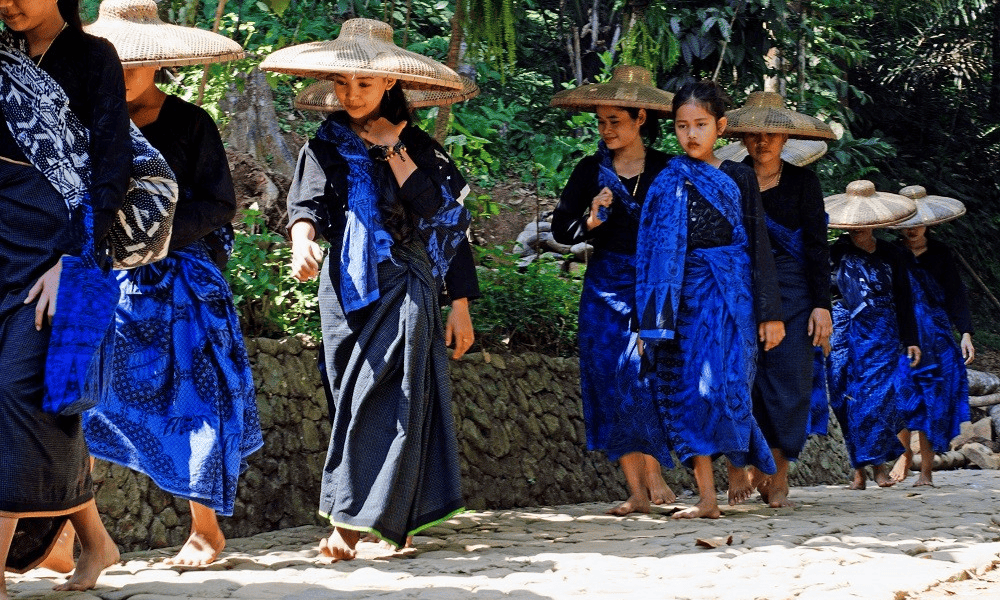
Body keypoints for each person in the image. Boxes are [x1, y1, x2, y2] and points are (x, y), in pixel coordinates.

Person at [263, 18, 480, 559]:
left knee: (389, 400)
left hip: (406, 285)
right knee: (349, 399)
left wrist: (460, 307)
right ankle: (394, 520)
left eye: (365, 83)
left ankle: (350, 525)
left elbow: (447, 224)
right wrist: (301, 242)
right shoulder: (325, 146)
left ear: (389, 84)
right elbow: (305, 206)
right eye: (343, 83)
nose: (352, 93)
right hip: (344, 291)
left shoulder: (422, 150)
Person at [80, 0, 261, 568]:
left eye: (132, 65)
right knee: (77, 407)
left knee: (193, 402)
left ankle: (204, 530)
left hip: (179, 289)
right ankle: (72, 537)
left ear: (157, 63)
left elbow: (219, 205)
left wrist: (152, 241)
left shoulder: (191, 125)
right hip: (100, 286)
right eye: (113, 64)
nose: (121, 75)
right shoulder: (84, 121)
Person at [0, 0, 127, 595]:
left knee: (23, 391)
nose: (9, 2)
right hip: (1, 241)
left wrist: (76, 261)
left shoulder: (92, 57)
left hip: (62, 255)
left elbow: (110, 161)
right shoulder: (1, 58)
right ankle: (97, 543)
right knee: (37, 403)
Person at [635, 81, 785, 519]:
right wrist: (649, 321)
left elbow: (758, 245)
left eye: (701, 124)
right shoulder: (667, 180)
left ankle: (739, 461)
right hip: (682, 300)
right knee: (689, 389)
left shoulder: (738, 175)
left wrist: (770, 312)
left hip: (730, 296)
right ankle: (707, 498)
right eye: (682, 126)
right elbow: (653, 254)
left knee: (728, 384)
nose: (691, 135)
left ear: (720, 127)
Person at [550, 66, 677, 516]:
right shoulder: (590, 170)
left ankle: (655, 468)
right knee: (610, 380)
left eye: (615, 122)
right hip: (604, 286)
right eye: (601, 122)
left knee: (647, 376)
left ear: (641, 117)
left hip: (657, 285)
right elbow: (560, 231)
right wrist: (592, 218)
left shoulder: (668, 168)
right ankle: (637, 491)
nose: (606, 130)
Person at [722, 92, 836, 507]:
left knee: (789, 380)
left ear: (786, 138)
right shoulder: (732, 176)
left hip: (796, 292)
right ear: (743, 138)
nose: (762, 142)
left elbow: (817, 247)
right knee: (740, 377)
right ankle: (738, 465)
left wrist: (822, 305)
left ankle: (778, 472)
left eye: (771, 134)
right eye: (753, 134)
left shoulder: (804, 182)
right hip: (741, 287)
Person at [825, 181, 921, 490]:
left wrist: (911, 339)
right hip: (841, 331)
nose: (857, 229)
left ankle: (878, 466)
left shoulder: (893, 254)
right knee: (843, 396)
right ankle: (858, 469)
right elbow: (822, 297)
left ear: (875, 223)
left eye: (863, 224)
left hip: (882, 331)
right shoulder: (834, 254)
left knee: (877, 398)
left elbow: (905, 299)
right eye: (852, 225)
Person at [887, 186, 972, 487]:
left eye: (918, 223)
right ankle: (904, 455)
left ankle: (925, 471)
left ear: (928, 223)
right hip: (901, 335)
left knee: (931, 401)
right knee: (899, 396)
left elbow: (956, 296)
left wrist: (965, 333)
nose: (913, 229)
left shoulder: (942, 254)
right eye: (907, 224)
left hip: (936, 338)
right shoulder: (892, 255)